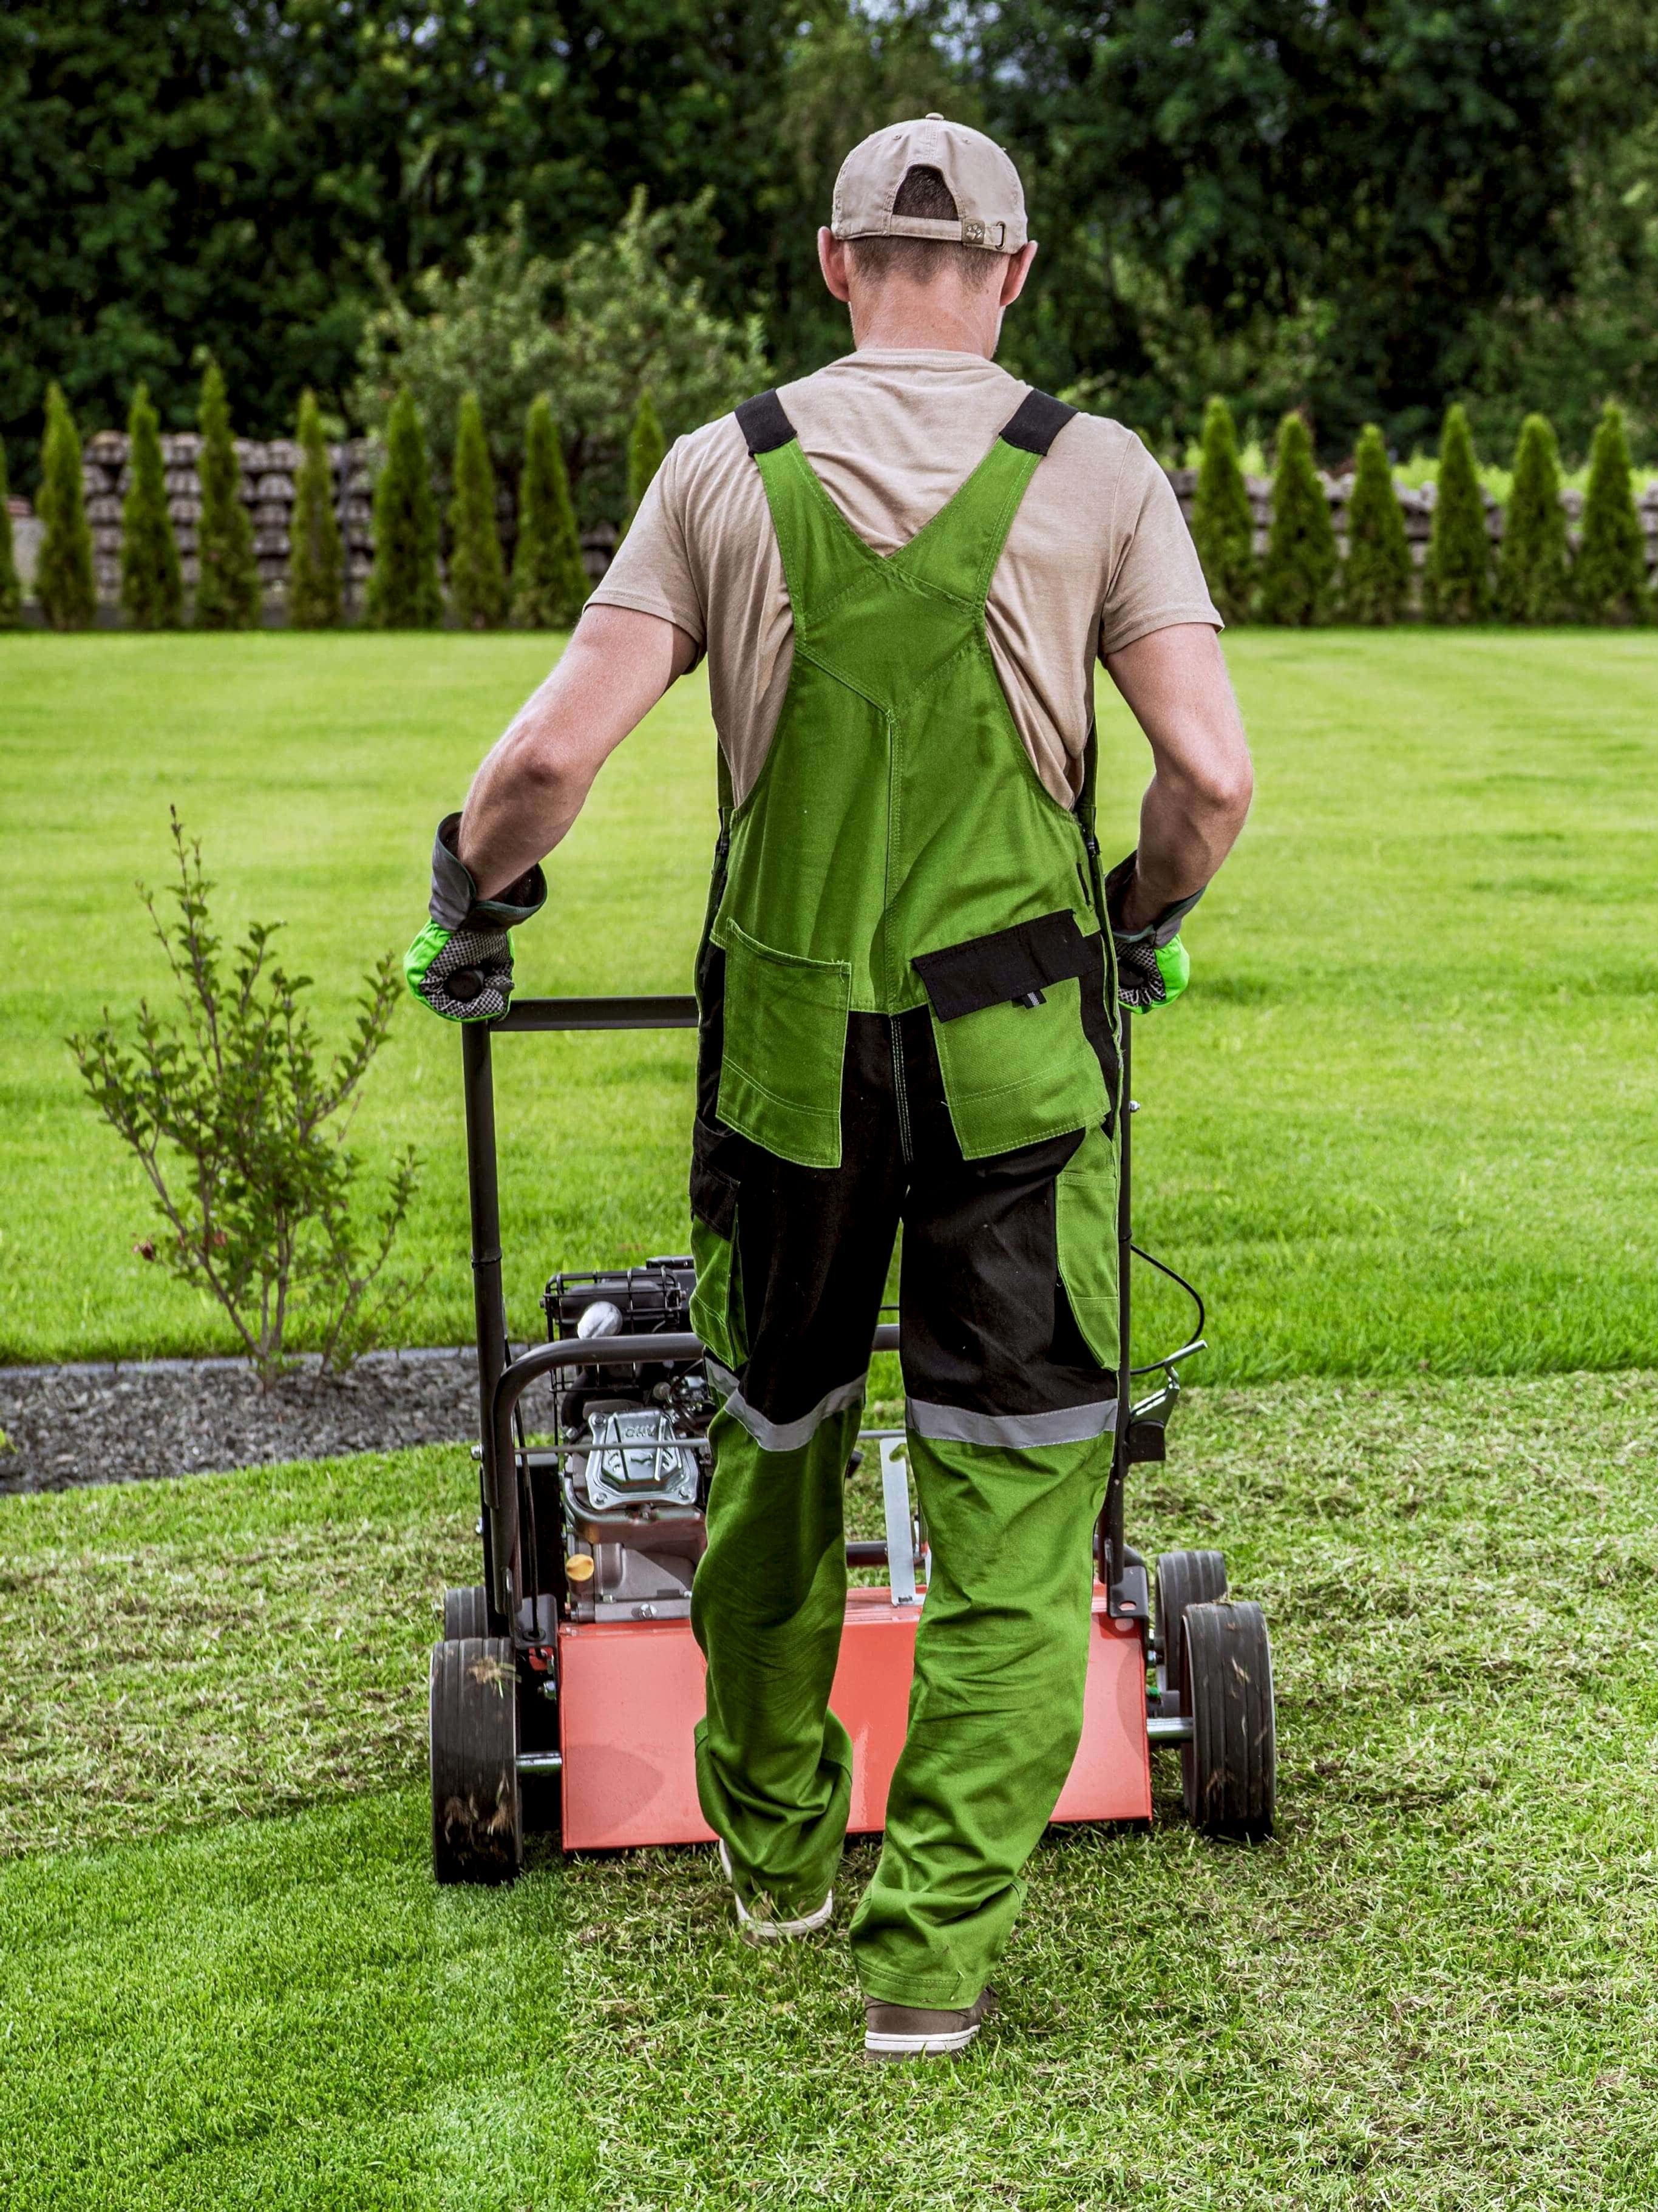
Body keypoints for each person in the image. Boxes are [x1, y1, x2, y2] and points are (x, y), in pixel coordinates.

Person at [404, 115, 1254, 2060]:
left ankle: (776, 1848)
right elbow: (1208, 784)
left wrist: (472, 885)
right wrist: (1132, 918)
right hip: (1021, 1066)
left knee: (776, 1436)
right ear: (1016, 275)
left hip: (790, 1073)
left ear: (832, 261)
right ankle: (929, 1957)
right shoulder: (1101, 473)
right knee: (1027, 1494)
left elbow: (549, 758)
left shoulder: (727, 468)